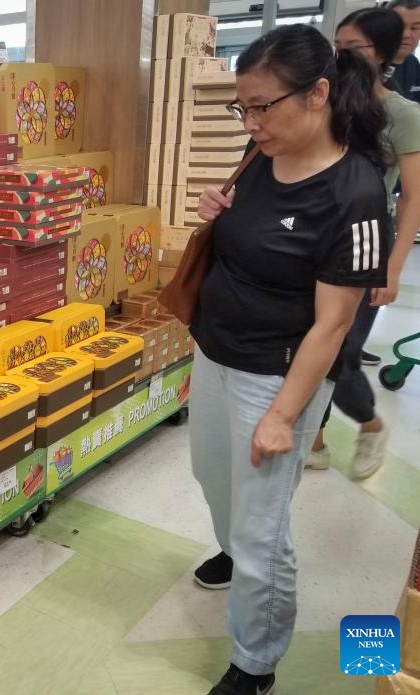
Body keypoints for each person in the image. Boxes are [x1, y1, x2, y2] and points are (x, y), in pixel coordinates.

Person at [188, 24, 391, 695]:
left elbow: (333, 324)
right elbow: (237, 231)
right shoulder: (261, 149)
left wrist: (282, 415)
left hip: (274, 377)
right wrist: (213, 208)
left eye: (261, 106)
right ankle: (234, 549)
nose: (249, 121)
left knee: (261, 532)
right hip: (214, 352)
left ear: (317, 94)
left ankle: (255, 662)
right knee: (212, 479)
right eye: (240, 107)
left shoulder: (353, 193)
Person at [308, 8, 420, 478]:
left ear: (384, 54)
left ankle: (370, 424)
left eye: (353, 48)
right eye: (337, 45)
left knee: (342, 351)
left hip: (369, 241)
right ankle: (311, 435)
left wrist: (392, 269)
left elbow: (414, 197)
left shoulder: (402, 113)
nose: (341, 56)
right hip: (317, 233)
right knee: (307, 337)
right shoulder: (330, 101)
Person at [391, 0, 420, 104]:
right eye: (399, 26)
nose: (406, 34)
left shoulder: (413, 63)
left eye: (415, 28)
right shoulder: (367, 66)